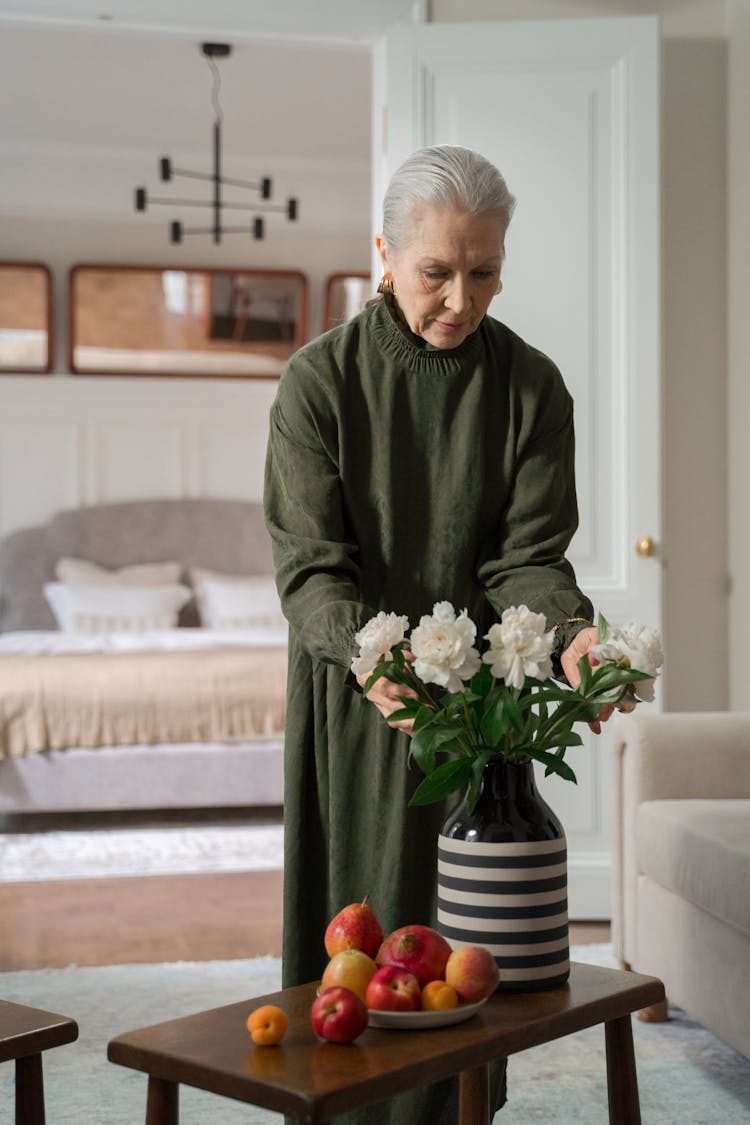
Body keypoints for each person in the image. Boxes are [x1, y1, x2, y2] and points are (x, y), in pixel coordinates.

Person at [264, 144, 605, 1124]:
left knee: (464, 955)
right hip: (355, 690)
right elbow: (313, 572)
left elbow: (527, 560)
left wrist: (573, 633)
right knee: (357, 947)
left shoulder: (531, 389)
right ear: (383, 254)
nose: (462, 298)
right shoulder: (316, 385)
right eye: (437, 272)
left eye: (486, 269)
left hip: (480, 709)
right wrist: (375, 661)